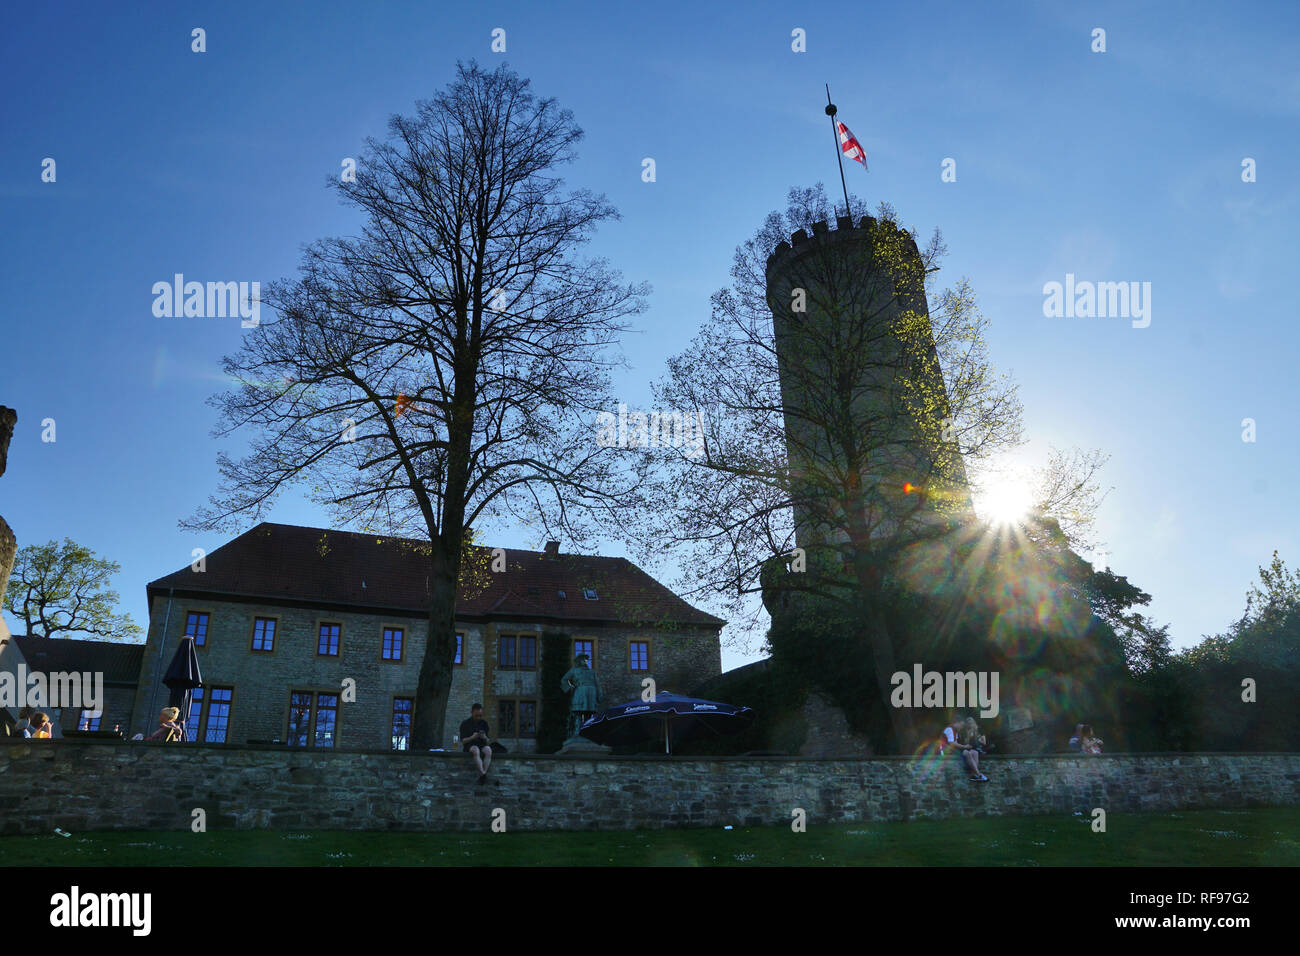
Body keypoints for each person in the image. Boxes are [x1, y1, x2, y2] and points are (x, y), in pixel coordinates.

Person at [941, 715, 987, 782]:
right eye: (961, 725)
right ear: (957, 723)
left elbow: (956, 743)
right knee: (966, 752)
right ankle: (979, 774)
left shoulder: (955, 731)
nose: (962, 727)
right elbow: (952, 744)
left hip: (952, 750)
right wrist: (964, 747)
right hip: (945, 751)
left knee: (975, 752)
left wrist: (964, 747)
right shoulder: (950, 729)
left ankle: (974, 775)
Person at [459, 703, 493, 785]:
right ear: (472, 713)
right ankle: (483, 774)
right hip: (470, 745)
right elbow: (463, 741)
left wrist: (484, 737)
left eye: (480, 715)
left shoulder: (484, 723)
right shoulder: (465, 724)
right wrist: (472, 737)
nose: (478, 717)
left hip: (482, 744)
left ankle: (482, 774)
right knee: (475, 750)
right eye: (476, 715)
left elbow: (488, 740)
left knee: (489, 750)